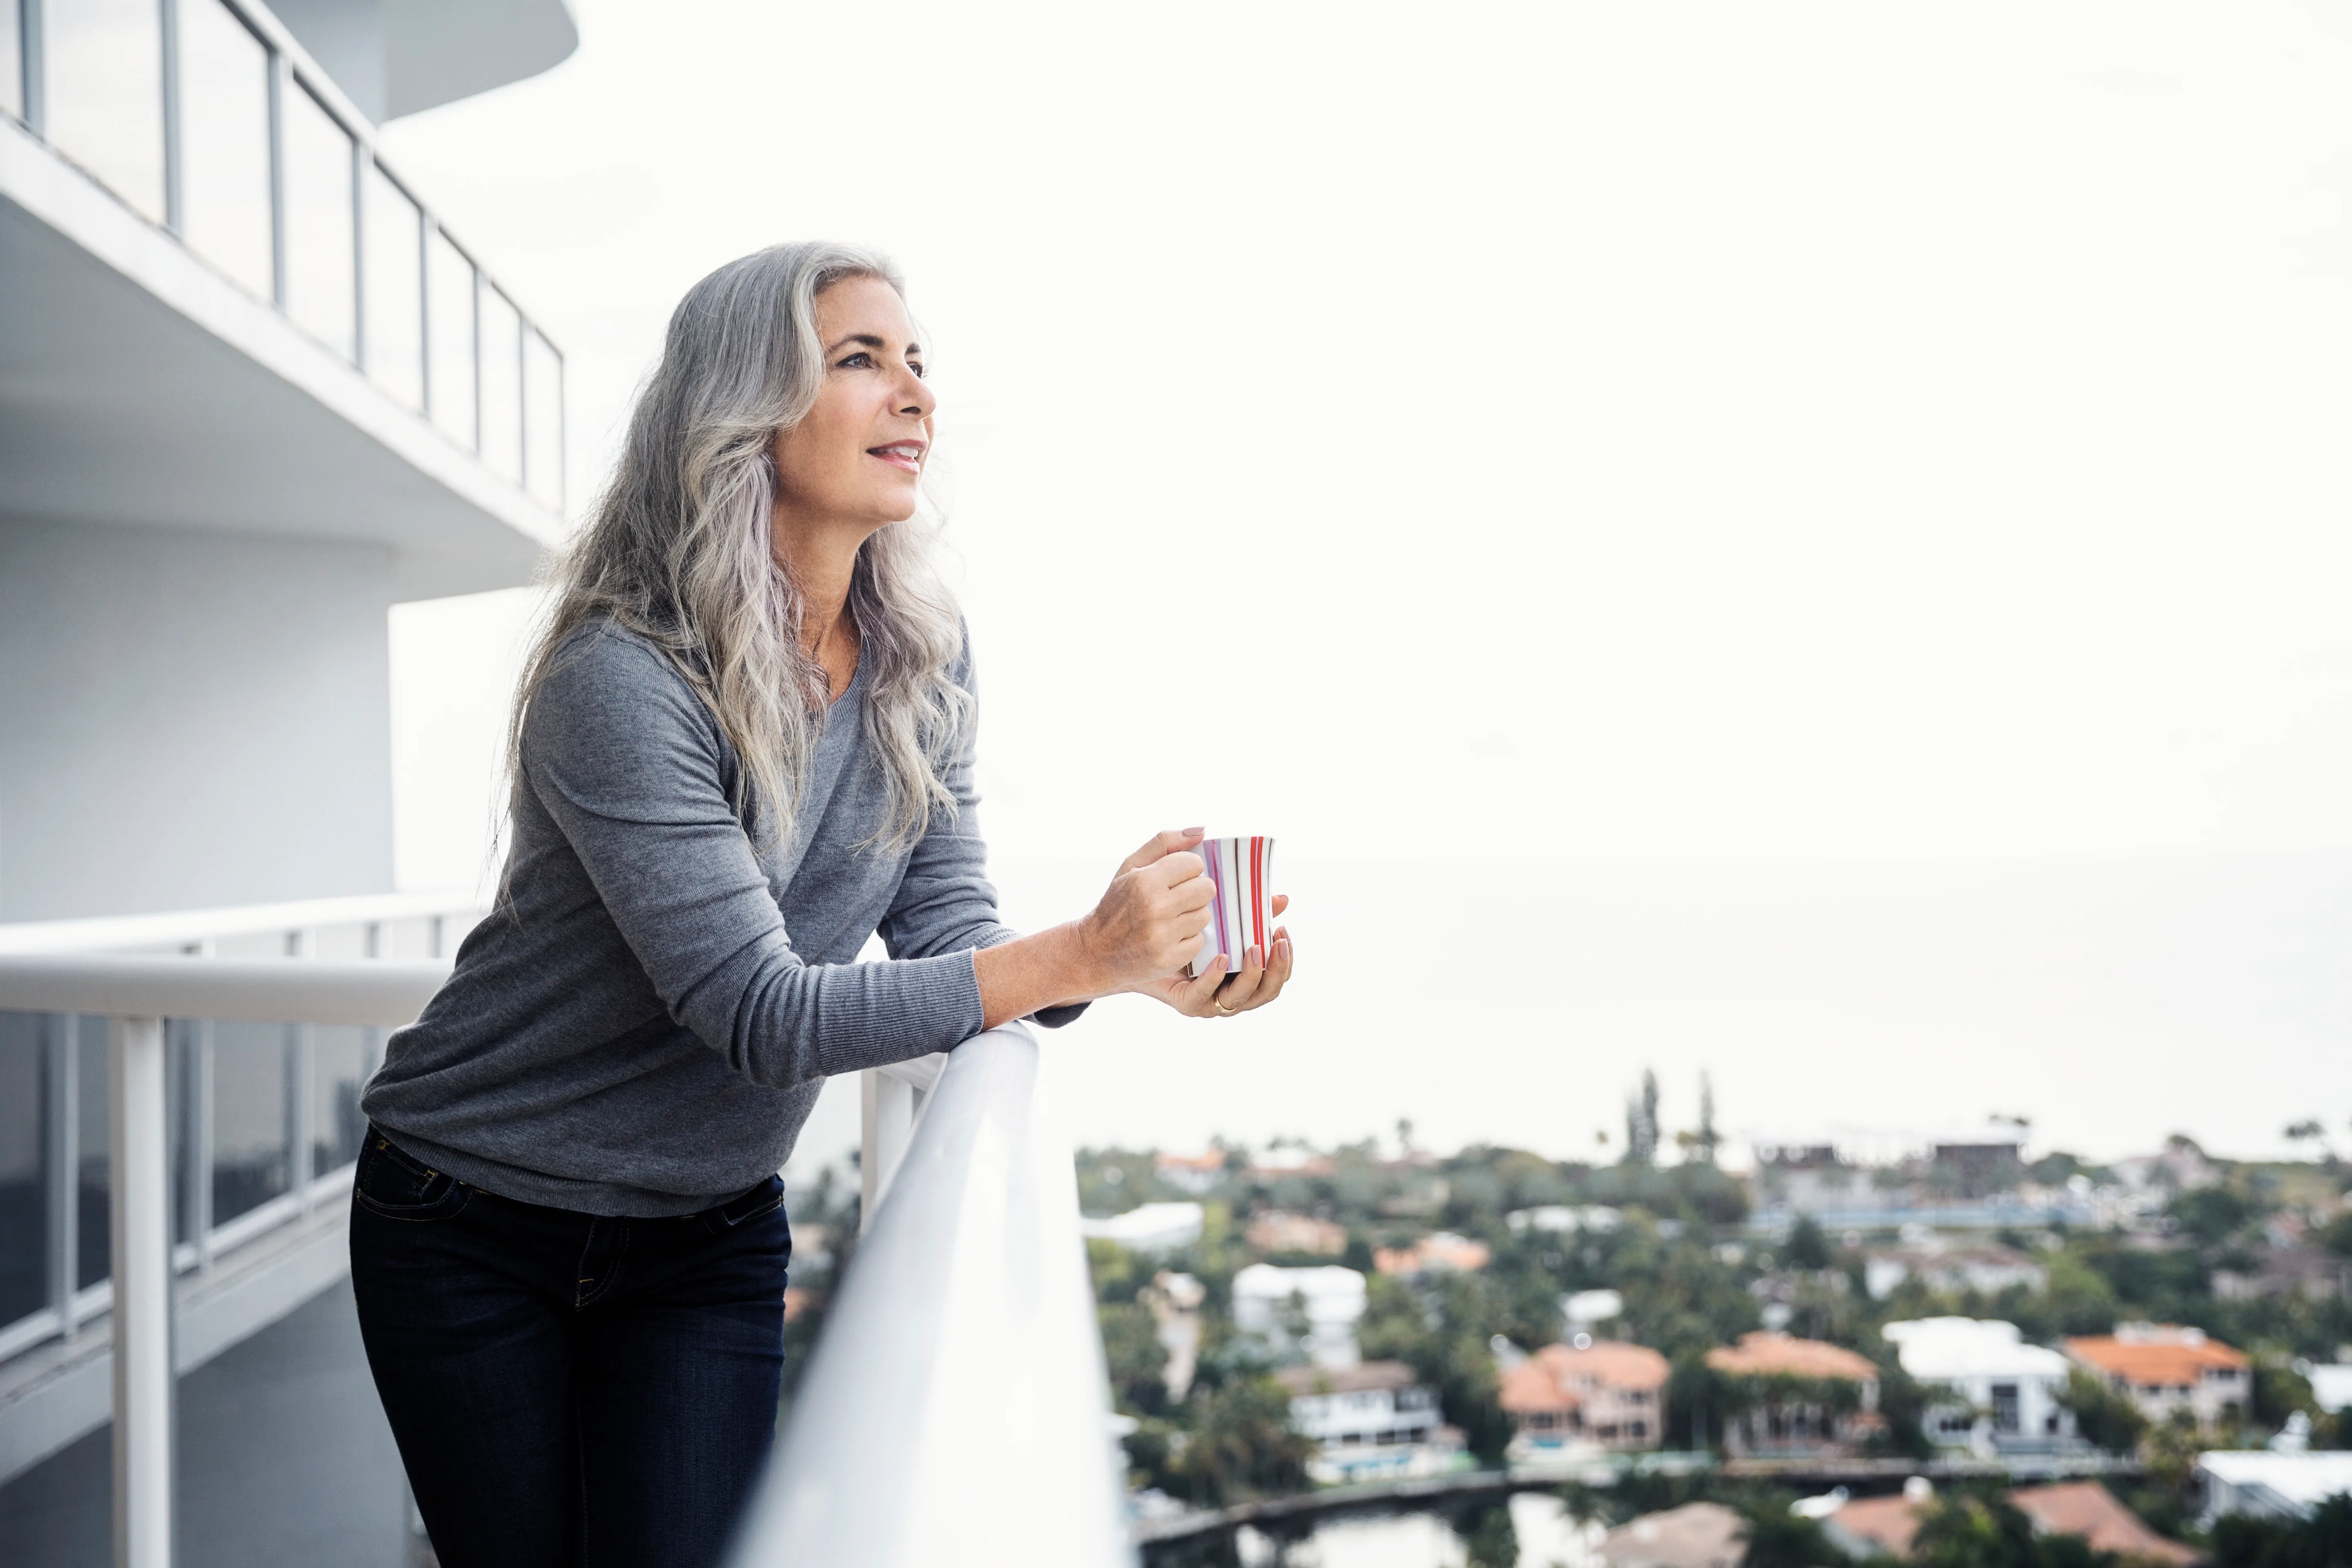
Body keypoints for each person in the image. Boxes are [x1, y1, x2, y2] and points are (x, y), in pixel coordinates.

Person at [348, 242, 1294, 1568]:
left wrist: (1133, 968)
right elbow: (759, 1014)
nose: (914, 394)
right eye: (862, 359)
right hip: (472, 1220)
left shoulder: (927, 651)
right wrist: (1080, 951)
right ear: (748, 406)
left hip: (708, 1232)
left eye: (918, 363)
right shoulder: (620, 679)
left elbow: (952, 925)